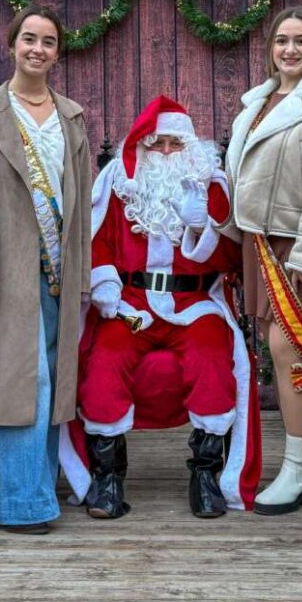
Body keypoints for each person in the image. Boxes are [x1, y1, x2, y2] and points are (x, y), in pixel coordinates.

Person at [60, 95, 259, 519]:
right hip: (131, 304)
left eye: (175, 143)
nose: (166, 153)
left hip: (195, 304)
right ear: (141, 147)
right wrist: (105, 283)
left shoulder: (212, 186)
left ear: (190, 146)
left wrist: (201, 223)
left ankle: (205, 474)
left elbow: (230, 260)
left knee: (210, 356)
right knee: (106, 359)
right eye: (156, 144)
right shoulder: (119, 183)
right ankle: (108, 477)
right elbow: (98, 241)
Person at [225, 5, 302, 516]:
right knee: (285, 352)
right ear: (270, 47)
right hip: (260, 243)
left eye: (301, 40)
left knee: (290, 349)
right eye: (282, 41)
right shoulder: (255, 102)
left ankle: (300, 466)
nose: (290, 50)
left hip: (300, 244)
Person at [0, 5, 91, 534]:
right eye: (28, 39)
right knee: (18, 385)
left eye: (48, 41)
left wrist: (82, 278)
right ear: (11, 44)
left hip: (59, 272)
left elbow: (83, 203)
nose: (37, 49)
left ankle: (37, 490)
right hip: (7, 270)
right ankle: (15, 501)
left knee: (49, 382)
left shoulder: (72, 116)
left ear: (57, 52)